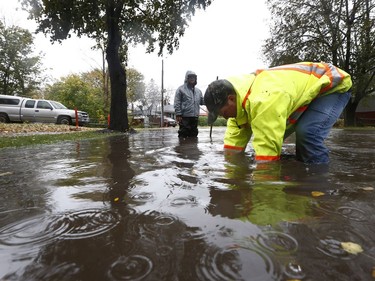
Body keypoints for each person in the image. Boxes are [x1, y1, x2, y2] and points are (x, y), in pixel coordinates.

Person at [204, 62, 352, 164]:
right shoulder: (237, 109)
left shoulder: (263, 99)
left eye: (223, 113)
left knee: (307, 134)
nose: (224, 117)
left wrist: (266, 192)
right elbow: (232, 149)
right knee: (288, 142)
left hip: (332, 84)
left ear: (231, 99)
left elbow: (266, 154)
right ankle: (303, 171)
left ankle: (317, 188)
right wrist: (230, 174)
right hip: (302, 94)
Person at [174, 70, 204, 138]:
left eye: (194, 77)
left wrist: (211, 96)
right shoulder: (180, 89)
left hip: (195, 116)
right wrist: (178, 113)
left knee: (194, 134)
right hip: (184, 117)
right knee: (183, 133)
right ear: (187, 78)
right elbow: (177, 102)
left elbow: (202, 101)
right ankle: (182, 147)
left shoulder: (198, 91)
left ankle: (193, 148)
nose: (192, 78)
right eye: (190, 77)